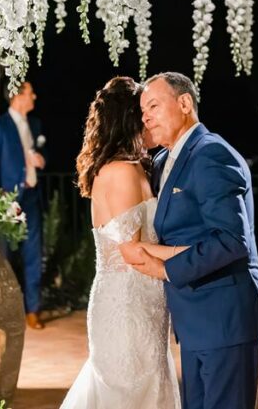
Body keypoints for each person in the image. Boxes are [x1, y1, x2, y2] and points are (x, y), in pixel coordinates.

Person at [123, 71, 258, 409]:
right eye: (143, 110)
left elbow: (233, 241)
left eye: (154, 106)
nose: (145, 116)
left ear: (185, 103)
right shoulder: (163, 160)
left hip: (225, 317)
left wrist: (166, 269)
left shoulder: (211, 155)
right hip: (194, 320)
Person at [60, 77, 180, 409]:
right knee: (129, 392)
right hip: (127, 305)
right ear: (130, 119)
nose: (150, 118)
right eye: (144, 112)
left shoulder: (133, 167)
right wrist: (188, 254)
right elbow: (131, 251)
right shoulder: (122, 172)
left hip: (144, 300)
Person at [0, 80, 47, 330]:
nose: (35, 96)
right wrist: (0, 202)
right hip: (8, 201)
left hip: (31, 197)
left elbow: (43, 155)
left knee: (33, 254)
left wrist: (42, 160)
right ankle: (7, 312)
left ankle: (33, 310)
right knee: (6, 257)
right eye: (31, 92)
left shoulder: (36, 124)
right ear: (17, 96)